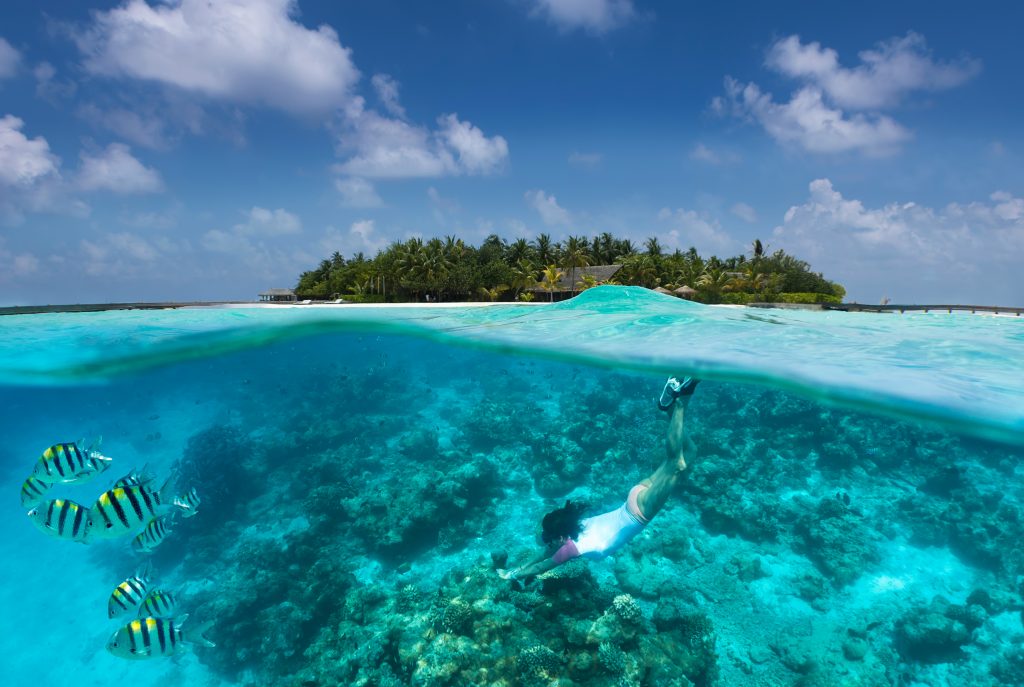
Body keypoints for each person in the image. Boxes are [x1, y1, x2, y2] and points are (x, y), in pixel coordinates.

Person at [498, 376, 699, 582]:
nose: (549, 545)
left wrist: (512, 575)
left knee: (677, 464)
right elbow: (543, 554)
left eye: (550, 540)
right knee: (690, 452)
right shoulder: (576, 524)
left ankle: (680, 402)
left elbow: (541, 565)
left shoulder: (573, 548)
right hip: (634, 498)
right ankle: (668, 410)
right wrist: (513, 570)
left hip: (639, 511)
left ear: (560, 537)